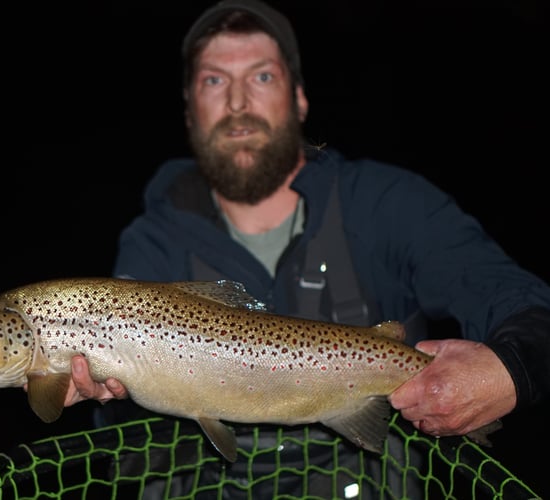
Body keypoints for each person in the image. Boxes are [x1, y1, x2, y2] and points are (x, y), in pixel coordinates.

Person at [60, 0, 550, 496]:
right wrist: (108, 391)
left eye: (262, 77)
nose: (236, 102)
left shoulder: (388, 204)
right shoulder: (152, 241)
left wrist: (511, 368)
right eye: (213, 81)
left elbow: (517, 297)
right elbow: (123, 423)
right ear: (189, 111)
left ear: (299, 100)